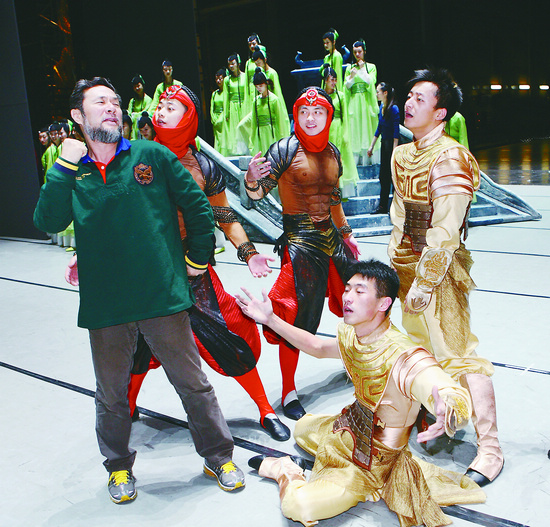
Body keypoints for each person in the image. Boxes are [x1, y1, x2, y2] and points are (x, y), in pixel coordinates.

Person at [34, 77, 245, 504]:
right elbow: (48, 221)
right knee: (112, 395)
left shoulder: (151, 155)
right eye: (100, 102)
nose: (112, 107)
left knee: (192, 383)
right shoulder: (73, 170)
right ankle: (118, 466)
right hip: (106, 306)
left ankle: (218, 456)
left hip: (161, 298)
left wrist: (196, 261)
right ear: (78, 116)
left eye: (115, 101)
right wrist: (63, 165)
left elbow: (197, 207)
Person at [236, 259, 485, 527]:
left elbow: (440, 384)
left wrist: (448, 406)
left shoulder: (404, 355)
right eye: (347, 289)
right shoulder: (354, 335)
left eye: (359, 291)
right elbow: (318, 347)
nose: (347, 297)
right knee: (302, 428)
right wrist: (270, 319)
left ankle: (285, 469)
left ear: (383, 303)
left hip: (373, 462)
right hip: (345, 430)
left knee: (299, 506)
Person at [125, 84, 290, 441]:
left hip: (193, 265)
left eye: (172, 106)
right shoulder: (134, 157)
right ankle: (127, 407)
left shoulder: (202, 165)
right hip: (149, 269)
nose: (162, 110)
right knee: (140, 342)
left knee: (227, 335)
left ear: (189, 117)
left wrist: (249, 253)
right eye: (161, 104)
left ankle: (264, 409)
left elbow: (225, 216)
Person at [389, 68, 504, 486]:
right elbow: (399, 213)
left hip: (438, 274)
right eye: (409, 96)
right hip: (406, 269)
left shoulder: (451, 156)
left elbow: (446, 230)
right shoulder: (402, 153)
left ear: (440, 113)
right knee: (420, 349)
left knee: (459, 354)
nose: (409, 103)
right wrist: (398, 265)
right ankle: (435, 417)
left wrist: (425, 281)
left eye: (420, 98)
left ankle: (490, 448)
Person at [243, 86, 360, 421]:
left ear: (328, 116)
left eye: (318, 112)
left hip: (332, 239)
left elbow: (334, 198)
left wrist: (347, 235)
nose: (311, 118)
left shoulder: (333, 152)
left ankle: (358, 362)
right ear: (296, 115)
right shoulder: (284, 149)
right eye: (304, 112)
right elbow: (256, 195)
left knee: (360, 302)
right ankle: (288, 391)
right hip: (300, 242)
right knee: (294, 316)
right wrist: (250, 179)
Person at [322, 64, 358, 197]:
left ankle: (340, 190)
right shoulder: (322, 96)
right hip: (326, 129)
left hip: (338, 127)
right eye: (330, 79)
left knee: (340, 158)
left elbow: (345, 117)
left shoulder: (340, 96)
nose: (333, 82)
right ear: (325, 80)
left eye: (335, 79)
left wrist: (345, 134)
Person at [237, 68, 289, 157]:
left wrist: (281, 139)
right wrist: (252, 139)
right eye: (256, 86)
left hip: (271, 133)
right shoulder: (255, 100)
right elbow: (254, 122)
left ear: (266, 83)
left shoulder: (274, 99)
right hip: (260, 135)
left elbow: (280, 121)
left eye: (261, 85)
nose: (259, 88)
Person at [344, 39, 379, 165]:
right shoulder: (350, 68)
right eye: (355, 52)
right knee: (355, 128)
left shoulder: (371, 67)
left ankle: (368, 156)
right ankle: (356, 159)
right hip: (354, 101)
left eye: (359, 51)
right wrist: (352, 77)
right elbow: (346, 86)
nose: (357, 54)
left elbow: (371, 81)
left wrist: (363, 70)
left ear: (364, 51)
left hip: (366, 101)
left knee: (367, 126)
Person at [367, 82, 400, 214]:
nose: (376, 94)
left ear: (385, 93)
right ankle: (382, 206)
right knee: (383, 176)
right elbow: (379, 128)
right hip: (384, 144)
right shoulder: (381, 107)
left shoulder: (394, 109)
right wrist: (371, 146)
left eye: (378, 92)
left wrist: (394, 151)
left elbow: (396, 132)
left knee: (392, 176)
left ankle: (396, 207)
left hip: (392, 145)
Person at [222, 53, 248, 155]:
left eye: (233, 63)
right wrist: (226, 112)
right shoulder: (227, 80)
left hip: (244, 105)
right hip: (233, 106)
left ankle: (246, 149)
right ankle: (236, 151)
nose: (231, 66)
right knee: (234, 128)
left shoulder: (245, 76)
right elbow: (226, 97)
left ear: (238, 63)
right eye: (229, 64)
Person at [319, 28, 346, 92]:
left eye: (327, 42)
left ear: (333, 42)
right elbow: (322, 74)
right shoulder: (326, 57)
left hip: (334, 90)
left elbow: (337, 76)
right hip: (326, 88)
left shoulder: (337, 56)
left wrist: (338, 92)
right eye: (324, 43)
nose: (325, 45)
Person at [127, 75, 152, 140]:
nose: (137, 88)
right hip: (133, 123)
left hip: (143, 123)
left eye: (138, 86)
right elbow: (129, 113)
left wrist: (135, 115)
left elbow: (147, 113)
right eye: (135, 87)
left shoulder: (148, 99)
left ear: (142, 85)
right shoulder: (132, 101)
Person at [210, 69, 226, 152]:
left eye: (220, 78)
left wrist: (221, 119)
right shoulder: (215, 93)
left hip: (223, 120)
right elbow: (212, 108)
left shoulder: (227, 93)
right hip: (216, 121)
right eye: (216, 79)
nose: (218, 81)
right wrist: (213, 119)